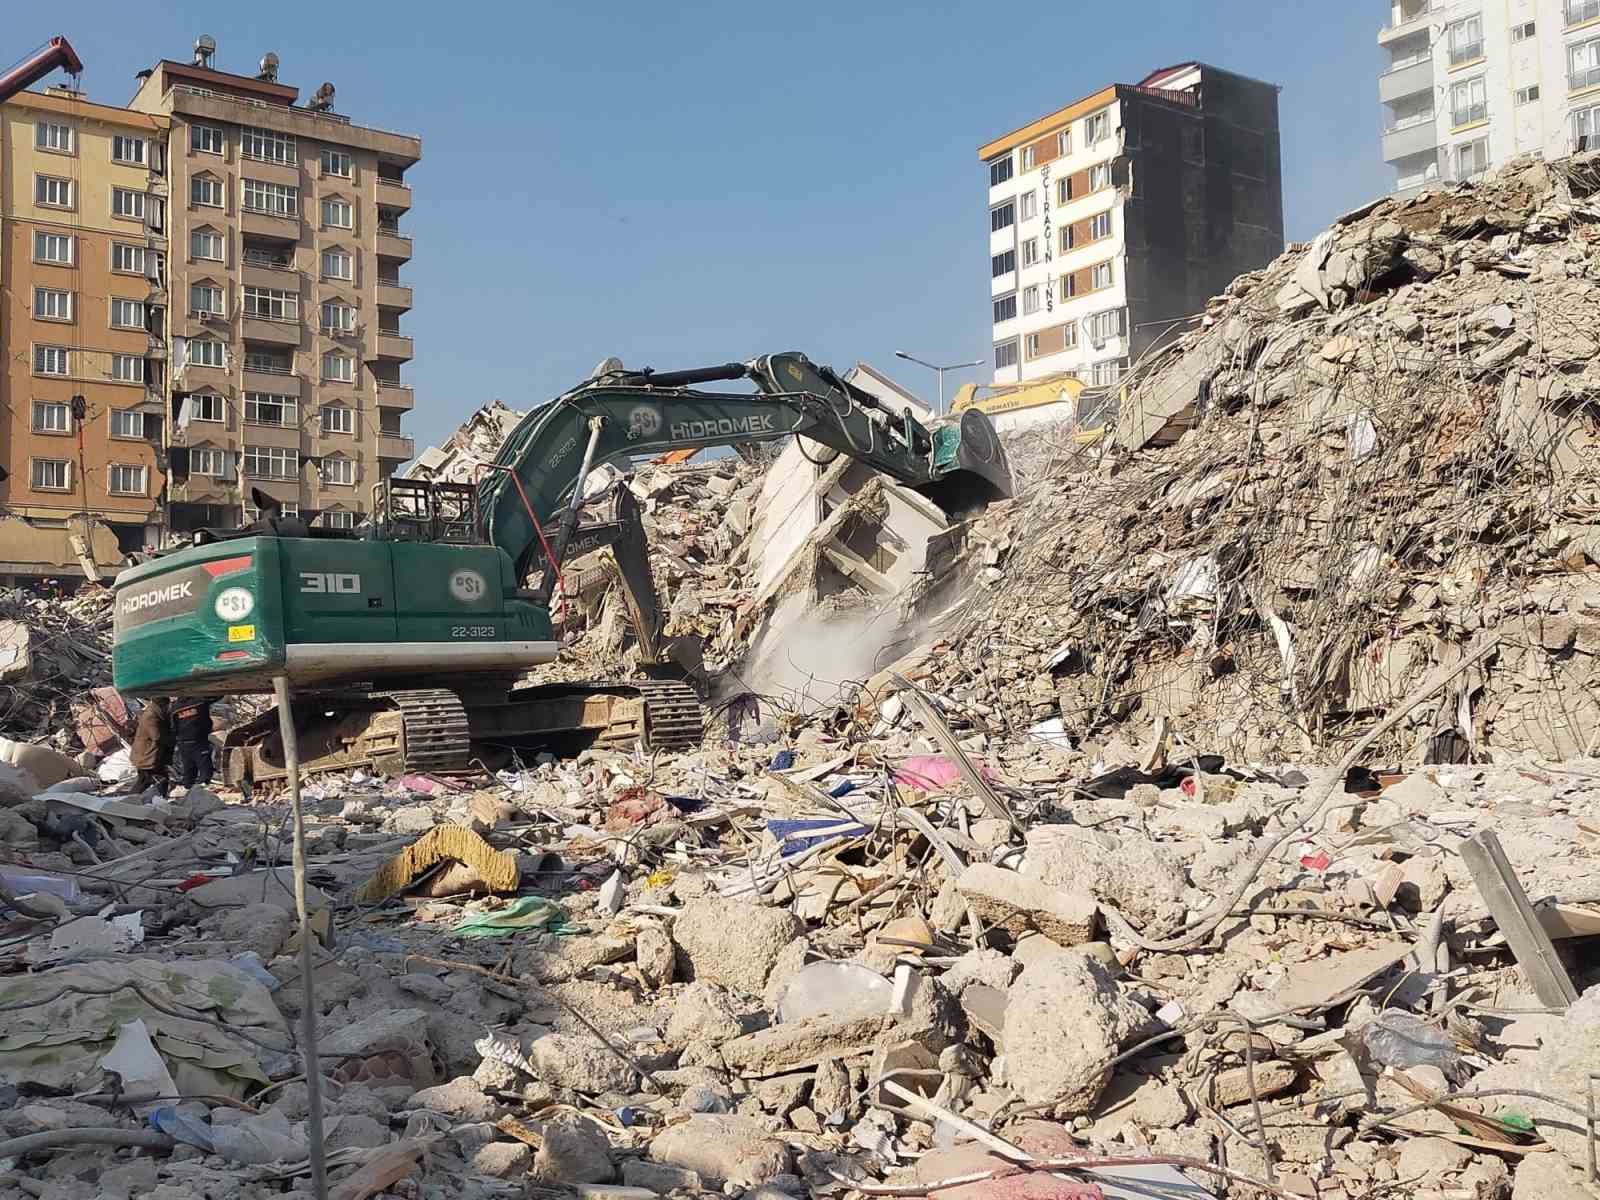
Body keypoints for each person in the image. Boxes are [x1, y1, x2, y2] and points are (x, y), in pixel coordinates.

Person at [129, 696, 173, 797]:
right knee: (145, 780)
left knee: (160, 779)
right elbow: (157, 736)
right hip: (146, 755)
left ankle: (160, 799)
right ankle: (130, 799)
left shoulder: (156, 713)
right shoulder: (151, 716)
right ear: (163, 705)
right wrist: (173, 740)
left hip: (151, 754)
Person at [171, 696, 214, 788]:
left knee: (189, 768)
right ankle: (203, 788)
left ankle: (187, 788)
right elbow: (207, 720)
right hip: (198, 740)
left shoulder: (175, 707)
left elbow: (173, 726)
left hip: (183, 742)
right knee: (205, 767)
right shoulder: (199, 702)